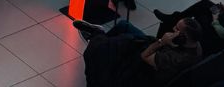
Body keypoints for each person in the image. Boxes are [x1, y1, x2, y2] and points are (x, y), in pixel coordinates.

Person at [74, 16, 203, 85]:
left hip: (143, 71)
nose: (172, 28)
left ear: (182, 37)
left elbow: (144, 56)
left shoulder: (174, 60)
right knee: (123, 26)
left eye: (176, 29)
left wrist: (161, 41)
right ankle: (100, 38)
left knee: (104, 51)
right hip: (152, 50)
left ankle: (98, 37)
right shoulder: (195, 46)